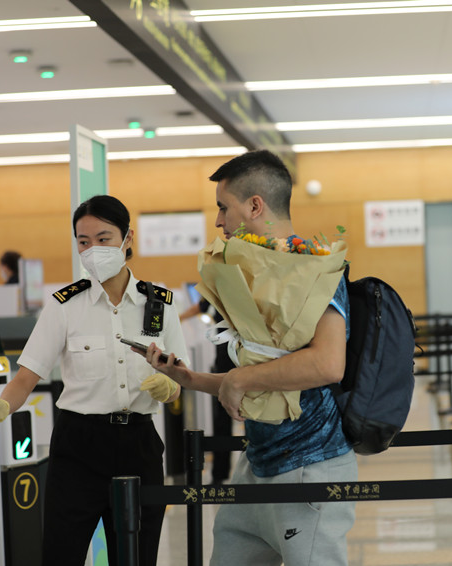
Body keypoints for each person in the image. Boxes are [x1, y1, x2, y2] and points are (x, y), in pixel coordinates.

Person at [140, 149, 356, 566]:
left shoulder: (317, 270)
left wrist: (239, 380)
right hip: (257, 463)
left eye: (224, 207)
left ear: (255, 205)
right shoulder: (252, 274)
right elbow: (264, 375)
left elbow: (328, 364)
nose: (219, 221)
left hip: (310, 466)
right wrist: (192, 380)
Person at [0, 195, 188, 566]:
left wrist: (170, 385)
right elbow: (27, 374)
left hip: (139, 445)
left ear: (127, 238)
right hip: (78, 448)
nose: (93, 249)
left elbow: (180, 375)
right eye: (83, 241)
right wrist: (4, 403)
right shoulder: (65, 305)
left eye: (104, 238)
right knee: (61, 554)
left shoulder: (159, 304)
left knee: (137, 557)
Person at [179, 298, 235, 483]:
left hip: (230, 357)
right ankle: (221, 473)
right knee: (224, 417)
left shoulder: (220, 286)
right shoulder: (223, 285)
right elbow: (200, 307)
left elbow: (198, 307)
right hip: (233, 357)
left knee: (223, 417)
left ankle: (220, 474)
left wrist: (179, 318)